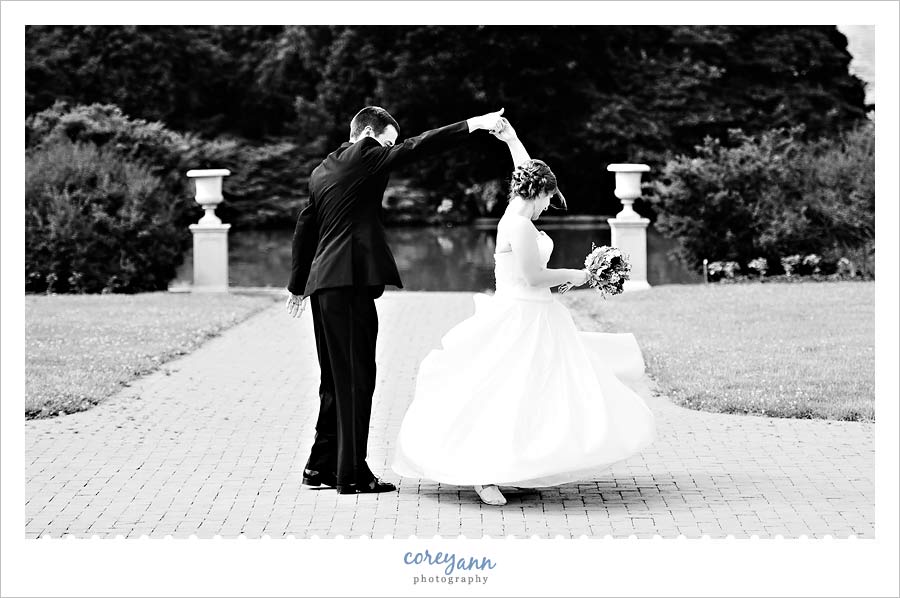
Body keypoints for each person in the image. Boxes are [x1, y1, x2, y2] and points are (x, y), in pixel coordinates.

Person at [391, 118, 656, 506]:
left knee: (536, 393)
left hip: (540, 315)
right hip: (517, 317)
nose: (550, 203)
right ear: (540, 191)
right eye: (550, 196)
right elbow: (532, 276)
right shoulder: (516, 224)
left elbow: (525, 172)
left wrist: (513, 139)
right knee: (502, 393)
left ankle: (519, 464)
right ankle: (484, 474)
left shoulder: (522, 213)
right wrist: (583, 273)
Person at [286, 105, 507, 495]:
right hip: (348, 282)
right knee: (357, 379)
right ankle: (352, 474)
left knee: (334, 382)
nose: (391, 151)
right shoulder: (367, 154)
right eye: (388, 142)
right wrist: (475, 123)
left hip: (323, 286)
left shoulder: (323, 169)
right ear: (369, 133)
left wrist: (297, 284)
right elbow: (421, 145)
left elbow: (307, 224)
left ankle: (319, 467)